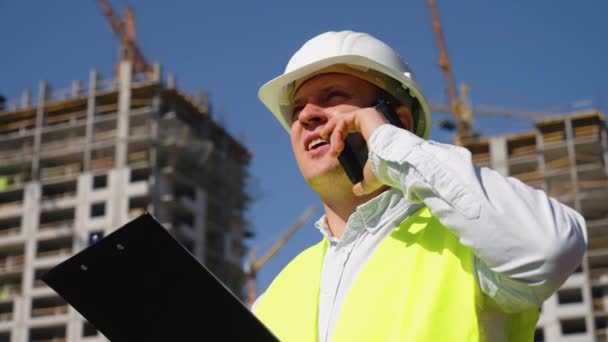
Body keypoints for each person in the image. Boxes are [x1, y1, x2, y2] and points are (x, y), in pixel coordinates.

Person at [253, 30, 587, 342]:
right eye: (297, 109)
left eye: (333, 96)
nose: (307, 115)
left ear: (399, 121)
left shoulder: (470, 244)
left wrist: (391, 145)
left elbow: (551, 249)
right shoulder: (274, 298)